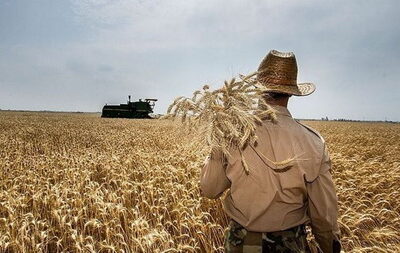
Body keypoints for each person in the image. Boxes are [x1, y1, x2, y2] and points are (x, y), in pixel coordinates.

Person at [200, 50, 341, 253]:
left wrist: (217, 141)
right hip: (290, 246)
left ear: (257, 88)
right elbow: (324, 215)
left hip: (239, 244)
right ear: (291, 93)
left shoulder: (230, 134)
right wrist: (329, 248)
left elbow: (209, 189)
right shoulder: (313, 142)